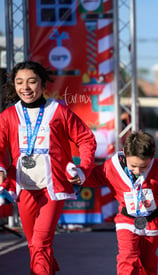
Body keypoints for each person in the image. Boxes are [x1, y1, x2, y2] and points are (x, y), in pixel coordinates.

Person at [0, 60, 97, 274]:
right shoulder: (7, 116)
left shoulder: (59, 111)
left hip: (52, 189)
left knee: (41, 242)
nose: (25, 87)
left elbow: (86, 140)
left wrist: (83, 169)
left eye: (32, 81)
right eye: (19, 82)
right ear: (14, 86)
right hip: (24, 188)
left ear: (43, 85)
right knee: (35, 244)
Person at [83, 131, 158, 275]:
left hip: (153, 220)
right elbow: (93, 177)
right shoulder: (111, 166)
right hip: (127, 220)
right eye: (133, 166)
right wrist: (78, 175)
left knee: (147, 262)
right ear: (124, 153)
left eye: (143, 167)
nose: (138, 170)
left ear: (152, 156)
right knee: (127, 258)